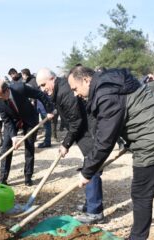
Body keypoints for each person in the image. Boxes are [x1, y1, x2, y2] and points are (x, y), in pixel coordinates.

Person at [68, 66, 154, 240]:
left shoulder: (105, 93)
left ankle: (137, 238)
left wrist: (87, 171)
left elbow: (105, 140)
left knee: (141, 193)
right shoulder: (113, 81)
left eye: (75, 88)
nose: (75, 94)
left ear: (86, 80)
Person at [36, 67, 103, 224]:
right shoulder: (59, 89)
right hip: (84, 132)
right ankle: (90, 205)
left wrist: (66, 143)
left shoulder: (65, 92)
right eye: (40, 86)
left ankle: (95, 211)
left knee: (92, 169)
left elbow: (76, 121)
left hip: (89, 132)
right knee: (89, 166)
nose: (42, 89)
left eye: (43, 84)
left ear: (52, 79)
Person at [0, 81, 54, 186]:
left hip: (29, 117)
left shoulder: (20, 88)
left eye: (0, 96)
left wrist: (49, 110)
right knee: (6, 147)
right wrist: (13, 137)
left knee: (29, 146)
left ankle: (28, 177)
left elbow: (39, 94)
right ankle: (3, 179)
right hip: (12, 120)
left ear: (7, 91)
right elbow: (6, 119)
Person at [22, 68, 52, 148]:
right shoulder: (34, 83)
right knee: (37, 124)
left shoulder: (39, 84)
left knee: (47, 125)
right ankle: (33, 139)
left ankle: (47, 141)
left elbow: (45, 96)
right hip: (38, 106)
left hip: (43, 107)